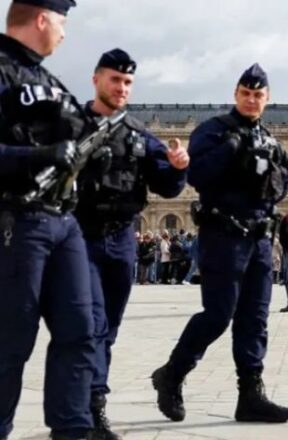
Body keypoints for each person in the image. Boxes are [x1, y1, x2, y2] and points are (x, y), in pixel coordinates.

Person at [151, 64, 288, 424]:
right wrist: (230, 150)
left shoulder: (271, 142)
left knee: (255, 319)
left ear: (267, 98)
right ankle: (172, 373)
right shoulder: (213, 131)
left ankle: (251, 395)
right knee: (218, 315)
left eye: (258, 94)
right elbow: (195, 175)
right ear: (236, 94)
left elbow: (281, 187)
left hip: (260, 240)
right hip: (223, 235)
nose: (251, 99)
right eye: (246, 93)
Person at [73, 48, 189, 439]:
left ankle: (91, 405)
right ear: (96, 79)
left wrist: (178, 168)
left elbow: (167, 187)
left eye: (127, 82)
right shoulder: (72, 125)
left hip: (122, 238)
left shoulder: (139, 134)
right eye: (115, 79)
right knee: (90, 324)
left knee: (108, 327)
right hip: (80, 236)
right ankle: (88, 408)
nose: (121, 87)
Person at [0, 1, 103, 439]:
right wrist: (37, 156)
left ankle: (72, 429)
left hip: (62, 220)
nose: (64, 33)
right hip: (15, 219)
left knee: (80, 331)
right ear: (42, 18)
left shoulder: (50, 81)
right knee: (10, 339)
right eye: (62, 22)